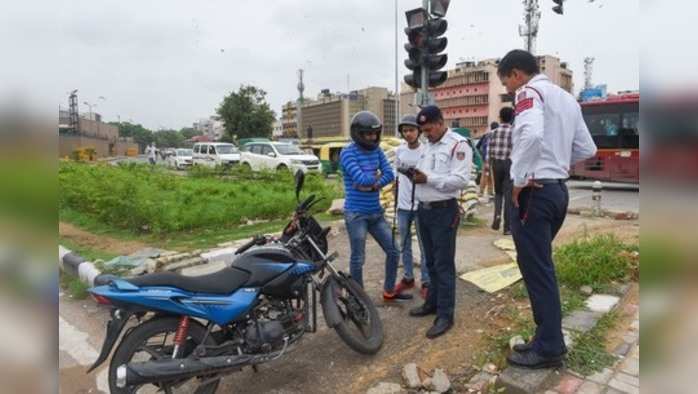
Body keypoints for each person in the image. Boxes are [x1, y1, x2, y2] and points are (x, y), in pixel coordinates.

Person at [497, 49, 597, 368]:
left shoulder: (529, 91)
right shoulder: (567, 99)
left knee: (538, 271)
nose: (509, 90)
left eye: (506, 82)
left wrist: (519, 178)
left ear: (516, 73)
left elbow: (531, 132)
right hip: (557, 191)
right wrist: (555, 164)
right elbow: (587, 148)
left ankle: (550, 347)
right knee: (539, 267)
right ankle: (544, 338)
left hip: (533, 194)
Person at [408, 105, 472, 339]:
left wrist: (429, 178)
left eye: (428, 129)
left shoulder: (458, 144)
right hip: (424, 211)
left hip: (444, 211)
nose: (426, 134)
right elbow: (425, 176)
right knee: (431, 262)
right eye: (423, 131)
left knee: (444, 265)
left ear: (440, 122)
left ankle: (445, 315)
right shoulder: (427, 146)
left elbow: (460, 179)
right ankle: (432, 304)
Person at [339, 111, 411, 301]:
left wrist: (372, 185)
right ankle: (358, 297)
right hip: (356, 215)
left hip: (375, 213)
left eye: (375, 134)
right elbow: (359, 178)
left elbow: (389, 173)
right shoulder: (348, 153)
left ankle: (389, 290)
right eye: (368, 134)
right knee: (358, 258)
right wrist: (374, 180)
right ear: (358, 134)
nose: (372, 137)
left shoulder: (377, 150)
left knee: (394, 251)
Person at [393, 114, 430, 299]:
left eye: (411, 130)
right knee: (404, 243)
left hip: (420, 206)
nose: (408, 134)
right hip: (403, 206)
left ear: (419, 131)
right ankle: (408, 277)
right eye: (405, 131)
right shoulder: (399, 152)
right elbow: (396, 178)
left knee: (424, 245)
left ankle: (426, 281)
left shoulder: (426, 151)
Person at [488, 107, 515, 235]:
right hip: (509, 163)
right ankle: (507, 227)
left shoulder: (493, 132)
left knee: (498, 193)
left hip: (496, 164)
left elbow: (489, 151)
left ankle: (496, 217)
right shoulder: (514, 132)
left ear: (500, 117)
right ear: (512, 117)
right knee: (508, 196)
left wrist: (489, 165)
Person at [476, 123, 497, 198]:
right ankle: (484, 192)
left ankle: (487, 192)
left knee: (486, 175)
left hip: (485, 158)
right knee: (488, 175)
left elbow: (477, 146)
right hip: (492, 159)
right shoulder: (496, 136)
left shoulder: (485, 135)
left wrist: (481, 154)